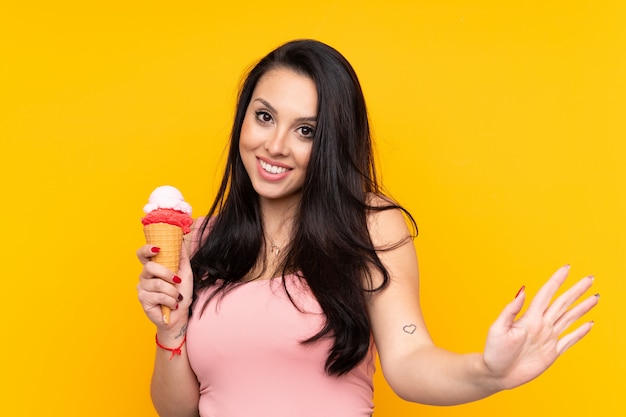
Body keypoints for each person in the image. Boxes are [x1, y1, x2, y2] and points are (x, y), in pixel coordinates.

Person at [136, 39, 599, 417]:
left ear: (333, 142)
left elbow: (410, 360)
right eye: (264, 117)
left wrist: (487, 372)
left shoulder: (370, 226)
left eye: (306, 131)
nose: (275, 145)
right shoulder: (199, 240)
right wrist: (171, 329)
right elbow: (178, 411)